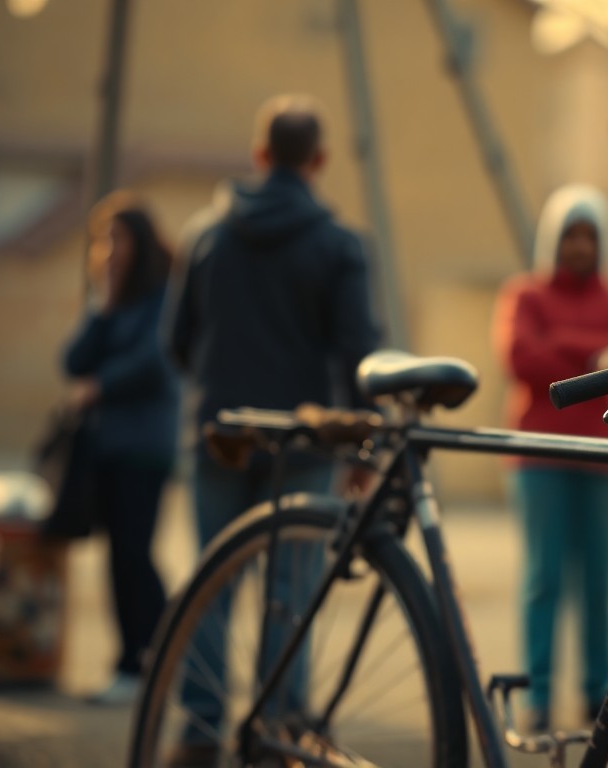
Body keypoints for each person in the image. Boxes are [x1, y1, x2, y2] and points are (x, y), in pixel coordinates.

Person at [164, 94, 380, 760]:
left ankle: (197, 732)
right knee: (290, 595)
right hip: (304, 443)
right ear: (320, 160)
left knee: (213, 583)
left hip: (222, 435)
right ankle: (276, 734)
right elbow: (358, 353)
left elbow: (177, 343)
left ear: (259, 154)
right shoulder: (339, 244)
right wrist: (366, 443)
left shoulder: (206, 234)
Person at [493, 185, 608, 731]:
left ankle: (599, 694)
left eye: (589, 236)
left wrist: (561, 344)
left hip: (605, 455)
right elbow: (520, 358)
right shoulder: (525, 294)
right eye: (570, 235)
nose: (579, 246)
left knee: (600, 583)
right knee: (543, 578)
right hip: (540, 456)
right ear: (553, 239)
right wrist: (592, 350)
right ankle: (538, 696)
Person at [62, 192, 179, 705]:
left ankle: (153, 656)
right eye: (105, 239)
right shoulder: (114, 301)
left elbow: (155, 362)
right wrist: (101, 302)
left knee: (134, 554)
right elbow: (72, 360)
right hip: (106, 448)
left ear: (142, 241)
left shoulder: (162, 298)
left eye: (119, 237)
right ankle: (135, 659)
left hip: (145, 447)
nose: (111, 248)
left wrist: (101, 386)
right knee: (118, 556)